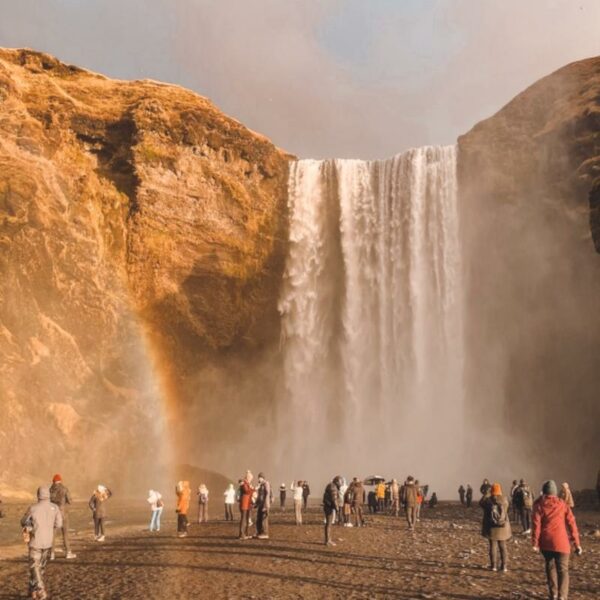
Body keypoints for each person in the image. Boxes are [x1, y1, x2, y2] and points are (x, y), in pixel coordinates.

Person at [532, 480, 582, 600]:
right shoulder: (562, 504)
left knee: (550, 567)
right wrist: (577, 544)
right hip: (562, 543)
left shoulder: (539, 505)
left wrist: (535, 543)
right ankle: (562, 596)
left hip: (546, 543)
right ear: (555, 493)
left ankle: (553, 594)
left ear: (544, 492)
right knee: (563, 570)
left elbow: (536, 525)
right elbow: (572, 524)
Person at [21, 486, 63, 600]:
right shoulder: (55, 507)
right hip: (48, 542)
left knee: (35, 567)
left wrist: (30, 526)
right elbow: (59, 524)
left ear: (38, 495)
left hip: (35, 541)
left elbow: (23, 521)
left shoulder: (33, 508)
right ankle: (32, 591)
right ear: (48, 495)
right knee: (40, 568)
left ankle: (41, 590)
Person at [479, 482, 512, 572]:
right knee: (503, 546)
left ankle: (493, 566)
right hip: (503, 527)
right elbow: (506, 509)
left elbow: (480, 503)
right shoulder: (504, 500)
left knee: (493, 546)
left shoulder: (488, 501)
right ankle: (504, 566)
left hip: (491, 526)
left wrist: (486, 494)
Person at [49, 474, 76, 560]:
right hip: (63, 514)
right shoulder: (64, 489)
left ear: (53, 481)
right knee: (65, 534)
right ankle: (68, 552)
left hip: (53, 514)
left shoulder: (50, 490)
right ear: (60, 481)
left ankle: (51, 554)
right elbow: (70, 501)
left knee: (52, 535)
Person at [323, 475, 342, 546]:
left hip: (328, 506)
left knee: (329, 523)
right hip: (329, 507)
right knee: (329, 524)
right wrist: (337, 509)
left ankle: (328, 539)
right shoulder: (333, 487)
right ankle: (328, 540)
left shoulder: (332, 486)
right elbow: (334, 499)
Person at [238, 471, 255, 539]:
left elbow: (249, 492)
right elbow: (247, 491)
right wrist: (253, 489)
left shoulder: (247, 484)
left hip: (247, 504)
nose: (251, 480)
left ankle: (246, 534)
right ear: (248, 478)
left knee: (247, 519)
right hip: (244, 504)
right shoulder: (244, 484)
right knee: (244, 520)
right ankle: (242, 535)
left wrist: (252, 489)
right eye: (250, 478)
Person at [254, 472, 271, 539]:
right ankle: (259, 532)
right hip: (260, 505)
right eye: (258, 477)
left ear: (263, 478)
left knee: (264, 519)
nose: (259, 479)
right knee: (258, 519)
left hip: (265, 505)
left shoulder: (266, 484)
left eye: (260, 477)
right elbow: (259, 496)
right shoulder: (260, 485)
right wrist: (256, 503)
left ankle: (265, 533)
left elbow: (267, 494)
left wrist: (265, 506)